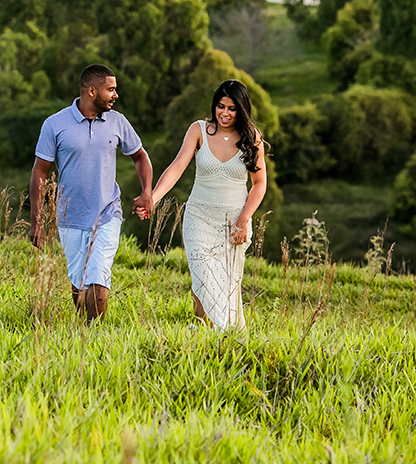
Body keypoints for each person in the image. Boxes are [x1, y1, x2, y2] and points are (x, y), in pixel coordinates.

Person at [140, 79, 267, 332]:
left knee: (226, 285)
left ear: (241, 110)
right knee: (202, 279)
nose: (224, 113)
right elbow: (177, 167)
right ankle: (210, 334)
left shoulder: (252, 139)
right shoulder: (199, 130)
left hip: (234, 224)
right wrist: (153, 198)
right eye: (220, 106)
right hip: (199, 219)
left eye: (231, 108)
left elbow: (259, 184)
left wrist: (242, 221)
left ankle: (215, 337)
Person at [30, 64, 153, 322]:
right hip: (70, 218)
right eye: (111, 90)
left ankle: (94, 334)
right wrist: (37, 221)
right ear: (92, 91)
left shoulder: (118, 122)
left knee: (97, 284)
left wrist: (146, 191)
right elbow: (40, 173)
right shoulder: (55, 124)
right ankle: (84, 335)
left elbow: (140, 156)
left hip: (108, 214)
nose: (116, 95)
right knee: (80, 286)